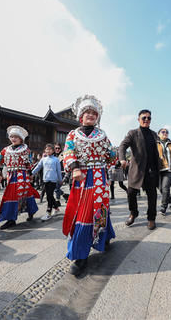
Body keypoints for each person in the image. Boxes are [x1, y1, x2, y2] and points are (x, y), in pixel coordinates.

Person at [62, 95, 116, 275]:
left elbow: (111, 155)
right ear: (80, 117)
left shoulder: (102, 135)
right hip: (82, 177)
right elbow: (68, 151)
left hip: (99, 177)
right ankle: (80, 254)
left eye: (94, 113)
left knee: (100, 209)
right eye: (87, 112)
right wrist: (75, 167)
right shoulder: (72, 134)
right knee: (83, 214)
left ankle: (104, 236)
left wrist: (106, 163)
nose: (91, 115)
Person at [119, 109, 161, 230]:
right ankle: (133, 213)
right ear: (139, 119)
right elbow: (123, 145)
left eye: (149, 118)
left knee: (152, 196)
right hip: (137, 170)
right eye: (144, 118)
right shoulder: (133, 133)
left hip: (152, 171)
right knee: (131, 193)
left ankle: (151, 218)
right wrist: (122, 159)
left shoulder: (154, 134)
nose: (146, 120)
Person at [0, 126, 39, 230]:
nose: (13, 138)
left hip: (22, 175)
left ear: (21, 139)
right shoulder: (5, 150)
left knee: (23, 194)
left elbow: (29, 163)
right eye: (12, 136)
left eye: (16, 137)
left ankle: (26, 213)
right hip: (10, 175)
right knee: (11, 195)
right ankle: (12, 218)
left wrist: (30, 174)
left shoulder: (25, 150)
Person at [32, 144, 62, 221]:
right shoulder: (43, 159)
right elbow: (38, 167)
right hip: (45, 180)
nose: (48, 151)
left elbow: (58, 171)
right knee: (50, 195)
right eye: (47, 149)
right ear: (45, 150)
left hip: (53, 180)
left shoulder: (56, 160)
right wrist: (31, 174)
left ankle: (48, 212)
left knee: (49, 196)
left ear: (53, 151)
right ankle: (56, 207)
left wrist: (60, 180)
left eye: (50, 149)